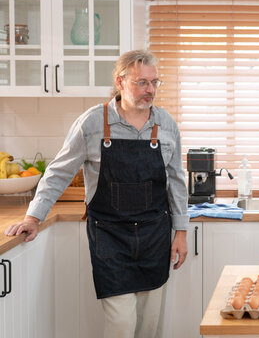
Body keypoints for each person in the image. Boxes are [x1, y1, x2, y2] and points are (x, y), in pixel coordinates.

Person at [4, 50, 189, 338]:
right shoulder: (92, 123)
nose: (150, 90)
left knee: (150, 326)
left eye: (155, 83)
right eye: (142, 82)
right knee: (121, 326)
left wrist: (181, 232)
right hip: (110, 237)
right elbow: (59, 172)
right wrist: (33, 216)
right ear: (120, 81)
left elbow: (176, 180)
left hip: (155, 234)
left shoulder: (166, 125)